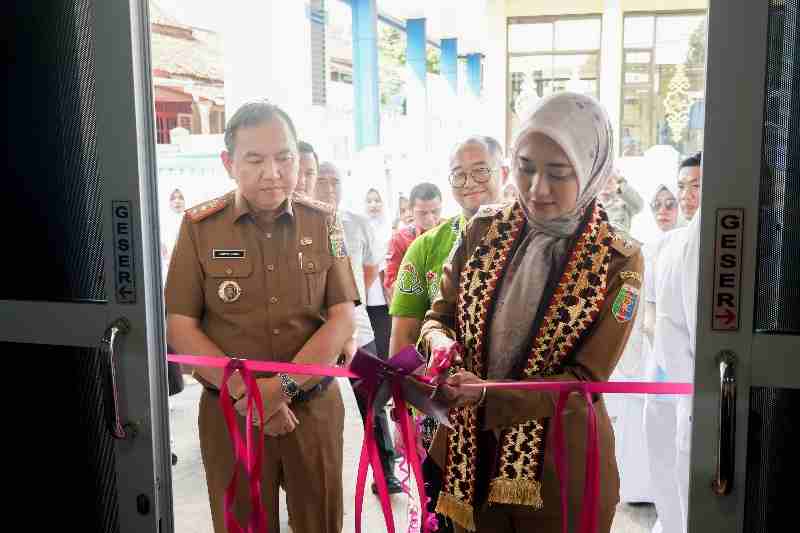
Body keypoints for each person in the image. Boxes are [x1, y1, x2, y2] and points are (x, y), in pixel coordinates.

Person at [418, 93, 643, 533]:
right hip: (470, 455)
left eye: (558, 173)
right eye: (525, 167)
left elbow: (585, 379)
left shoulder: (617, 259)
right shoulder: (483, 229)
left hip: (558, 469)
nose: (537, 189)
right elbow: (438, 318)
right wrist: (442, 349)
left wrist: (488, 394)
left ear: (592, 171)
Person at [165, 100, 359, 533]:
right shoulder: (199, 229)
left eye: (284, 158)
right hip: (231, 414)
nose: (272, 172)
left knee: (321, 522)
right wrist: (251, 396)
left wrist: (282, 388)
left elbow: (342, 317)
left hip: (312, 410)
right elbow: (180, 325)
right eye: (255, 160)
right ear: (229, 163)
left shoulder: (324, 223)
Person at [389, 135, 508, 532]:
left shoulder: (530, 242)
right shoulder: (425, 248)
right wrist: (402, 414)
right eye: (459, 175)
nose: (469, 182)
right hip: (440, 413)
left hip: (509, 412)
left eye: (481, 171)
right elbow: (403, 336)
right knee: (440, 518)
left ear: (504, 172)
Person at [314, 162, 403, 494]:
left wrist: (349, 309)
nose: (328, 188)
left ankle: (385, 473)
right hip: (313, 334)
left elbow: (367, 273)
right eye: (321, 181)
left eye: (334, 181)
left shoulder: (357, 224)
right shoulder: (299, 225)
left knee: (372, 400)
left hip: (358, 329)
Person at [607, 182, 682, 505]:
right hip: (646, 347)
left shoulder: (685, 245)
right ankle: (640, 490)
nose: (663, 211)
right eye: (658, 205)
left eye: (670, 204)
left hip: (674, 351)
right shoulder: (645, 249)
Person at [645, 152, 702, 533]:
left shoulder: (707, 244)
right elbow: (651, 311)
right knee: (661, 456)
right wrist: (660, 346)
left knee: (687, 461)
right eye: (682, 186)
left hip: (693, 375)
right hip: (662, 368)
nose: (686, 195)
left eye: (696, 186)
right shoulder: (664, 245)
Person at [383, 183, 442, 304]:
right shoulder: (400, 239)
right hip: (415, 305)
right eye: (423, 213)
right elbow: (391, 282)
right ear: (411, 210)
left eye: (435, 211)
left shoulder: (452, 231)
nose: (430, 218)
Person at [598, 168, 644, 234]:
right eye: (601, 182)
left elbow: (639, 205)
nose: (605, 185)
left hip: (618, 236)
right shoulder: (590, 202)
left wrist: (619, 186)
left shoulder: (624, 203)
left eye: (609, 181)